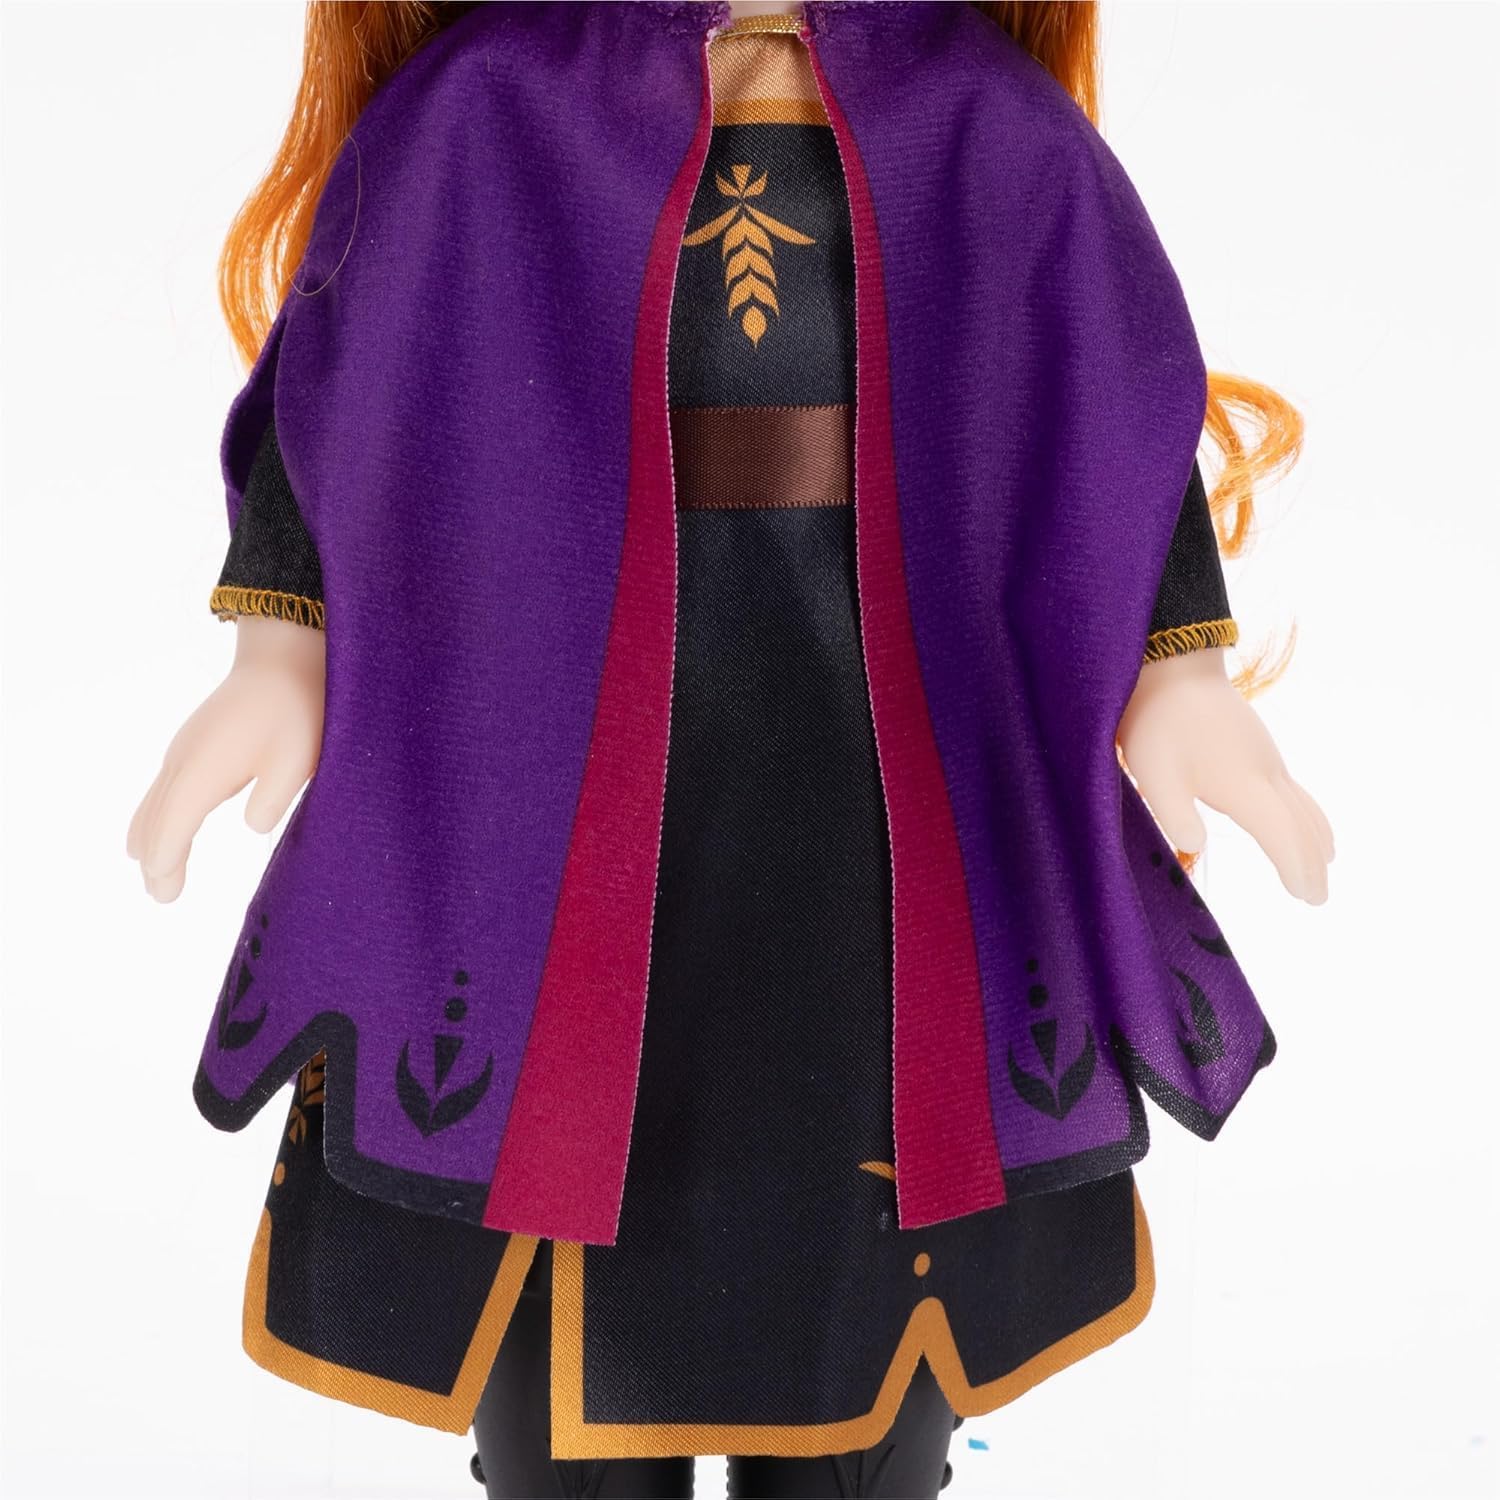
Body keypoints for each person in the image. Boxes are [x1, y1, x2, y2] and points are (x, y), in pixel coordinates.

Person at [126, 5, 1333, 1496]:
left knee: (864, 1257)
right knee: (561, 1248)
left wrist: (1182, 678)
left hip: (875, 778)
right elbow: (354, 391)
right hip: (549, 750)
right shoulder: (486, 109)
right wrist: (277, 656)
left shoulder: (982, 122)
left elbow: (1108, 410)